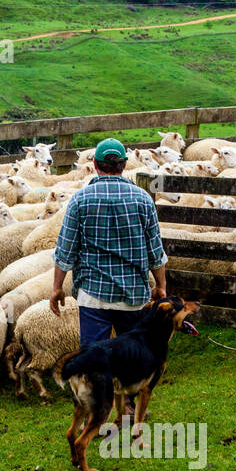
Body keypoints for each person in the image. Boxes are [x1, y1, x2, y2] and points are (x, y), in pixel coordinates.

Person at [50, 138, 168, 348]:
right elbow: (155, 251)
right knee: (133, 356)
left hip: (93, 295)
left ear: (94, 164)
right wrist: (160, 285)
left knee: (93, 360)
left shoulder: (79, 199)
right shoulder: (143, 199)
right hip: (133, 295)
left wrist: (57, 288)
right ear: (124, 164)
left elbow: (65, 250)